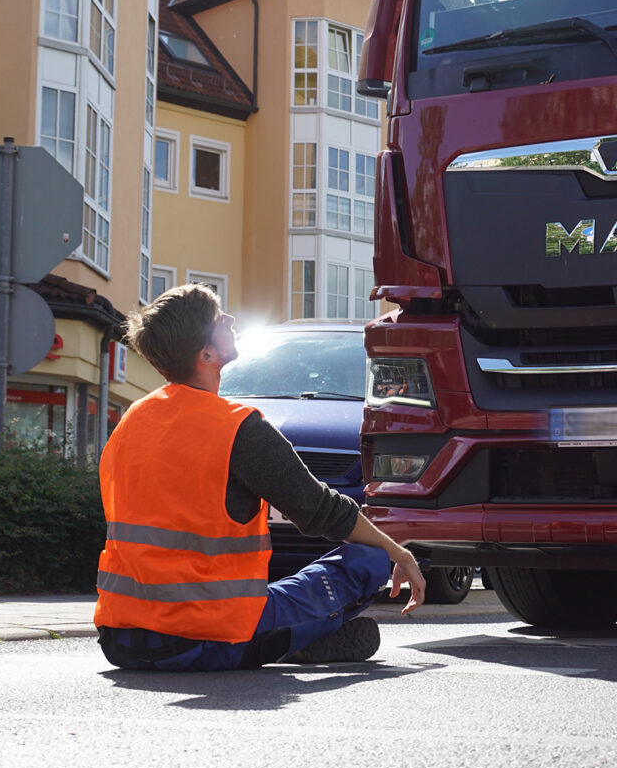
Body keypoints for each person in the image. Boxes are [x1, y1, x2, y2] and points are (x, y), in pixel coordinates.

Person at [94, 284, 427, 671]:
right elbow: (322, 510)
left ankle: (292, 637)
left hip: (121, 640)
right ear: (205, 354)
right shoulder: (236, 428)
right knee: (369, 558)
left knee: (269, 598)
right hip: (205, 637)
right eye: (220, 320)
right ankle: (293, 638)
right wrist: (398, 552)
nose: (231, 320)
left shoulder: (129, 422)